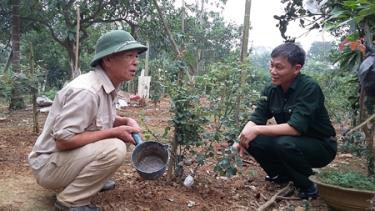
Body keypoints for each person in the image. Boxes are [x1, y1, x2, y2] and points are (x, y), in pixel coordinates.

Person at [28, 29, 148, 211]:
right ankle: (70, 201)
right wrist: (114, 132)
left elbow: (97, 117)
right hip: (48, 165)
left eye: (136, 56)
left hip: (60, 161)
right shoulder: (87, 91)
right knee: (115, 147)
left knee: (121, 137)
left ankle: (91, 181)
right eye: (129, 56)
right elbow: (63, 140)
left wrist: (124, 121)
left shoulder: (106, 86)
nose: (135, 62)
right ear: (108, 60)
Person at [237, 42, 337, 199]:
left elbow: (295, 128)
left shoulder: (309, 88)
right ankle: (281, 175)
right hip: (292, 142)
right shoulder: (271, 89)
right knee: (253, 140)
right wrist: (242, 137)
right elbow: (257, 116)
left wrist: (255, 130)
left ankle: (309, 185)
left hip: (321, 146)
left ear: (296, 68)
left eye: (279, 67)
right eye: (271, 65)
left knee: (283, 142)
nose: (273, 71)